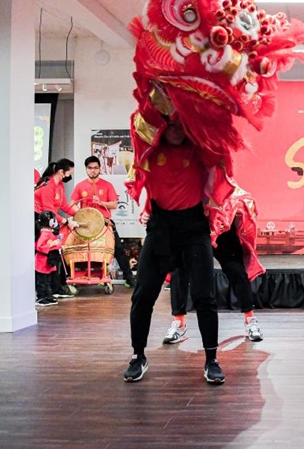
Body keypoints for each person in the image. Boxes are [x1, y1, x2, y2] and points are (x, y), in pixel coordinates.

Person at [123, 122, 224, 384]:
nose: (177, 130)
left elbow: (219, 149)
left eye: (183, 123)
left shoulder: (200, 148)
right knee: (143, 295)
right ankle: (138, 356)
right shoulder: (150, 150)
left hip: (193, 228)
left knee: (204, 296)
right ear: (162, 127)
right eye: (171, 125)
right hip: (161, 227)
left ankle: (211, 359)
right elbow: (139, 124)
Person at [163, 224, 264, 344]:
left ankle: (250, 320)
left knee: (236, 270)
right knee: (179, 271)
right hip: (191, 226)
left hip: (220, 226)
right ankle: (179, 324)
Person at [70, 156, 136, 287]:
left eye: (95, 168)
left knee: (117, 248)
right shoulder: (80, 186)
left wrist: (101, 203)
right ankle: (75, 276)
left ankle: (128, 277)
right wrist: (79, 216)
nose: (93, 171)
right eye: (90, 168)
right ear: (86, 169)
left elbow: (114, 204)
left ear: (100, 169)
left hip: (104, 222)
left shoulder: (107, 185)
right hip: (86, 225)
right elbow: (72, 204)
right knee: (77, 247)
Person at [34, 159, 79, 298]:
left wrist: (80, 214)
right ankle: (43, 292)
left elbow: (64, 205)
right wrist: (66, 221)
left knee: (55, 255)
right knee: (46, 257)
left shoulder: (60, 185)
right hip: (41, 221)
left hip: (51, 221)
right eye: (69, 173)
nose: (70, 176)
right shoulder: (48, 185)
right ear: (61, 172)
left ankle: (55, 288)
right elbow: (49, 212)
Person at [35, 211, 63, 306]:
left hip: (49, 259)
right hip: (43, 260)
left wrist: (58, 244)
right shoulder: (44, 234)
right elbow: (39, 246)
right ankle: (41, 297)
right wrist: (51, 245)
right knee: (42, 280)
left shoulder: (49, 233)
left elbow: (55, 242)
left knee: (48, 280)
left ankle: (48, 295)